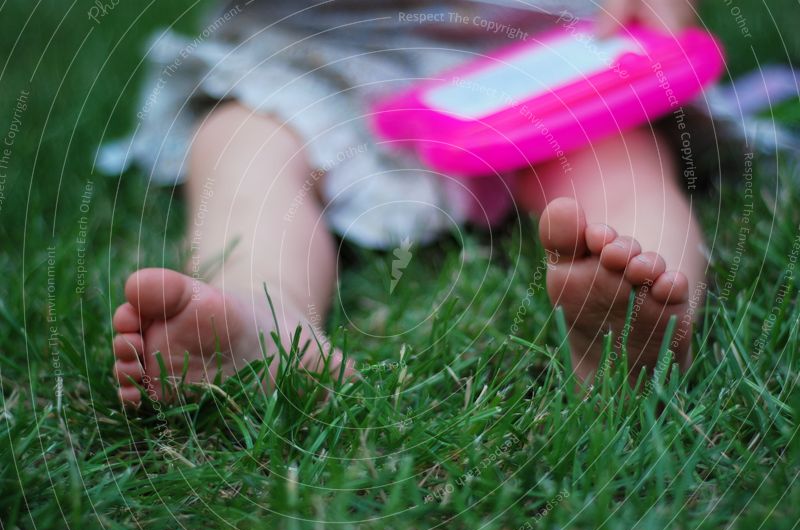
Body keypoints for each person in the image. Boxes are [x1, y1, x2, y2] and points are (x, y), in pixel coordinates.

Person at [109, 0, 705, 406]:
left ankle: (639, 313)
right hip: (314, 58)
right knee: (244, 148)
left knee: (618, 165)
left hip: (545, 52)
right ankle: (260, 319)